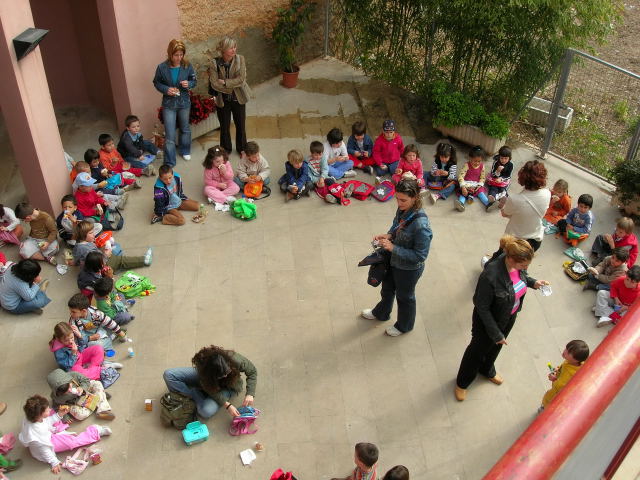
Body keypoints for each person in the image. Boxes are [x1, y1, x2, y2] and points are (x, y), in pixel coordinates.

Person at [455, 235, 549, 401]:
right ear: (511, 259)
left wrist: (533, 283)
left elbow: (523, 277)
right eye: (524, 265)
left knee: (495, 347)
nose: (526, 268)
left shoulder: (518, 266)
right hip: (488, 323)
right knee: (477, 351)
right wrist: (496, 333)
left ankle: (487, 369)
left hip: (508, 316)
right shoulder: (490, 275)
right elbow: (481, 307)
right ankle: (462, 382)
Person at [361, 178, 433, 336]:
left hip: (408, 269)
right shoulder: (403, 210)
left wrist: (394, 247)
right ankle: (381, 313)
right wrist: (389, 235)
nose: (399, 203)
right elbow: (396, 226)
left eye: (403, 200)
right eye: (397, 199)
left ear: (415, 198)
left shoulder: (421, 226)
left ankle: (404, 326)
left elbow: (420, 255)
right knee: (387, 289)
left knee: (405, 297)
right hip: (393, 262)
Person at [18, 394, 111, 474]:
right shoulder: (36, 436)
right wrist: (54, 462)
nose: (49, 409)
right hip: (47, 442)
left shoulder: (33, 417)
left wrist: (59, 415)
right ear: (39, 415)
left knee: (54, 413)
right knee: (72, 443)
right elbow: (44, 449)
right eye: (46, 409)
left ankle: (61, 429)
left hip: (48, 432)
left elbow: (47, 421)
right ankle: (96, 431)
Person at [483, 160, 550, 266]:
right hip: (534, 240)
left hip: (513, 240)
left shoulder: (514, 199)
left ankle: (487, 267)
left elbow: (505, 214)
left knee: (499, 259)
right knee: (519, 265)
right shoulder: (547, 194)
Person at [163, 344, 257, 419]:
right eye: (221, 375)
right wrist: (227, 405)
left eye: (227, 372)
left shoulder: (235, 359)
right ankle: (190, 396)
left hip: (228, 387)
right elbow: (209, 389)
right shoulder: (203, 366)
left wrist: (250, 394)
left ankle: (190, 395)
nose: (225, 375)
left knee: (205, 411)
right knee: (169, 375)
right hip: (206, 380)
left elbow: (252, 371)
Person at [153, 39, 197, 166]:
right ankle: (170, 160)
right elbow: (156, 82)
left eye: (181, 54)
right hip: (169, 104)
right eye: (176, 55)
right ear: (170, 54)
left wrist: (189, 84)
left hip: (184, 102)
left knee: (185, 128)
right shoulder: (162, 67)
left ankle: (185, 150)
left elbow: (194, 80)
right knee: (170, 132)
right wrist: (166, 89)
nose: (179, 58)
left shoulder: (187, 66)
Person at [209, 36, 251, 156]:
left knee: (241, 125)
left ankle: (242, 148)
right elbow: (214, 84)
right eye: (230, 47)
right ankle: (225, 150)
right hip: (223, 100)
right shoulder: (214, 63)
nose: (234, 50)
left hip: (238, 98)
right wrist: (232, 85)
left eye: (234, 47)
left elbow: (242, 79)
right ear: (223, 50)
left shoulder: (240, 59)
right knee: (224, 127)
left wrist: (226, 82)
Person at [72, 220, 152, 270]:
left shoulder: (78, 245)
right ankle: (144, 260)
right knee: (121, 260)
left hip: (94, 264)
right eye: (91, 233)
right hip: (101, 267)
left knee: (110, 246)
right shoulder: (87, 250)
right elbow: (99, 263)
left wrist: (74, 263)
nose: (94, 234)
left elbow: (77, 258)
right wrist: (106, 255)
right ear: (83, 235)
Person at [47, 368, 115, 422]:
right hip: (75, 402)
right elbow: (57, 406)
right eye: (66, 392)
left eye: (70, 387)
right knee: (80, 415)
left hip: (86, 391)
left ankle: (102, 410)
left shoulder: (73, 375)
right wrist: (64, 417)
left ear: (68, 380)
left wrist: (82, 388)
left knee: (97, 384)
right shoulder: (57, 397)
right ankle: (99, 398)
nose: (69, 390)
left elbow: (86, 380)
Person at [540, 340, 589, 411]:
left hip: (555, 396)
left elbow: (559, 387)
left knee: (548, 406)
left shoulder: (571, 374)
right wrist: (557, 370)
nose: (565, 352)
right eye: (566, 348)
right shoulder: (571, 362)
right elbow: (563, 367)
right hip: (556, 389)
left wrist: (553, 379)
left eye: (569, 353)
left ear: (576, 360)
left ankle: (543, 409)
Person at [454, 146, 490, 212]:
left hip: (476, 184)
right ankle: (460, 203)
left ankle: (488, 204)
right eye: (475, 161)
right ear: (470, 158)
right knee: (464, 193)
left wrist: (479, 185)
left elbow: (482, 177)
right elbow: (461, 176)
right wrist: (463, 187)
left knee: (481, 193)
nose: (477, 163)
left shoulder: (482, 166)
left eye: (479, 161)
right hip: (466, 183)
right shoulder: (467, 165)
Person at [485, 146, 514, 212]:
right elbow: (492, 173)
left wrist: (501, 178)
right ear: (499, 156)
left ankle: (502, 200)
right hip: (494, 179)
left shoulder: (511, 164)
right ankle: (493, 197)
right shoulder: (496, 162)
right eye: (502, 158)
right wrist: (497, 171)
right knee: (493, 187)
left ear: (509, 158)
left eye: (506, 158)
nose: (503, 160)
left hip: (504, 181)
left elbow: (509, 176)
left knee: (503, 189)